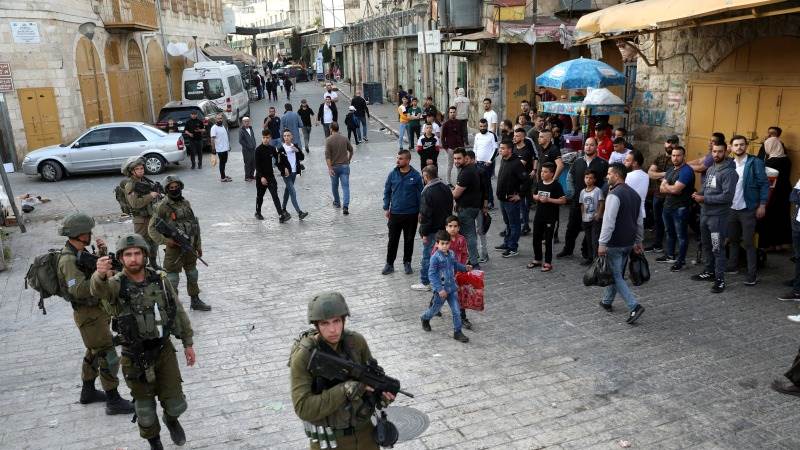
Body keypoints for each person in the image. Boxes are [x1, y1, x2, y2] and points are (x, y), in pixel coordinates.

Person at [91, 233, 195, 450]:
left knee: (176, 404)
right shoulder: (116, 285)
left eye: (137, 253)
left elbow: (178, 312)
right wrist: (99, 275)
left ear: (145, 255)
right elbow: (99, 291)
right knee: (145, 411)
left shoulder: (160, 279)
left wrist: (187, 342)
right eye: (128, 254)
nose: (133, 258)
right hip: (135, 357)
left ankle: (171, 420)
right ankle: (155, 443)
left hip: (163, 351)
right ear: (121, 258)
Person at [288, 292, 395, 449]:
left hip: (365, 435)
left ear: (344, 320)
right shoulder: (305, 356)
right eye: (325, 323)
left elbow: (369, 380)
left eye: (337, 321)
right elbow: (303, 408)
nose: (333, 330)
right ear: (316, 325)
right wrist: (344, 390)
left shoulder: (356, 342)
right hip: (330, 441)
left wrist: (381, 396)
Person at [56, 212, 134, 415]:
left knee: (93, 351)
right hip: (88, 315)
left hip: (96, 312)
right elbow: (78, 289)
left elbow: (92, 269)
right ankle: (113, 399)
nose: (90, 234)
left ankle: (88, 391)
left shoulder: (80, 252)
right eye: (87, 231)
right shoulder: (68, 259)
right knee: (107, 353)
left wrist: (102, 253)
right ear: (79, 233)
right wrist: (100, 275)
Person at [147, 175, 211, 311]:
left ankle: (195, 300)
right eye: (171, 188)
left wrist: (198, 245)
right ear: (167, 189)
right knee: (172, 278)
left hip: (190, 247)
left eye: (176, 187)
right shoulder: (162, 206)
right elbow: (151, 229)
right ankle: (172, 304)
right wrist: (166, 241)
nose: (174, 189)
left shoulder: (186, 203)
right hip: (174, 249)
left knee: (192, 274)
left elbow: (194, 225)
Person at [597, 164, 646, 324]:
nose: (607, 176)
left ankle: (634, 306)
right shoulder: (635, 195)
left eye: (609, 174)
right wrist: (638, 241)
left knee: (617, 275)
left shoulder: (614, 195)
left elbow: (608, 221)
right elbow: (639, 221)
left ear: (617, 176)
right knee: (615, 271)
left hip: (615, 242)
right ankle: (606, 301)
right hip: (628, 242)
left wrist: (602, 243)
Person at [690, 142, 737, 293]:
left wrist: (705, 199)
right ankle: (709, 272)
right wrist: (699, 194)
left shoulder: (729, 173)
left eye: (720, 152)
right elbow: (707, 188)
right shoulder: (711, 169)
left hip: (717, 218)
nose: (716, 154)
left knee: (717, 247)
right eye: (714, 151)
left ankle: (720, 280)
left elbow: (727, 197)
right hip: (705, 215)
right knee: (706, 244)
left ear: (726, 153)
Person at [726, 135, 769, 285]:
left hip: (748, 209)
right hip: (731, 208)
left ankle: (752, 274)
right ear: (730, 147)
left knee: (749, 242)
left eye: (742, 145)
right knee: (733, 240)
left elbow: (764, 184)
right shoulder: (729, 163)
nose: (739, 147)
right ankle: (732, 266)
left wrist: (762, 204)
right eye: (736, 145)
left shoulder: (754, 162)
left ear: (746, 146)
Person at [420, 230, 472, 343]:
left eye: (447, 243)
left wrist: (464, 268)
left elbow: (455, 264)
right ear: (437, 244)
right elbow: (432, 274)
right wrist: (439, 289)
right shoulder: (435, 258)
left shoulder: (451, 254)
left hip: (452, 288)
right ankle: (424, 318)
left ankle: (457, 332)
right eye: (442, 243)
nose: (444, 246)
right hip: (441, 291)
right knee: (434, 310)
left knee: (456, 311)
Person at [382, 150, 424, 275]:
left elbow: (421, 195)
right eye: (397, 158)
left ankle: (407, 263)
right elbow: (387, 191)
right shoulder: (392, 174)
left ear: (408, 160)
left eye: (400, 158)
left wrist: (420, 212)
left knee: (409, 239)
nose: (397, 160)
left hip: (411, 214)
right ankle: (389, 264)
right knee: (393, 240)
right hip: (395, 213)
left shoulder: (416, 176)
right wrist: (386, 207)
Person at [412, 165, 453, 292]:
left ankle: (425, 282)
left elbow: (425, 214)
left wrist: (424, 233)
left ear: (426, 176)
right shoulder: (445, 187)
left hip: (432, 230)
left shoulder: (427, 191)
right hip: (443, 228)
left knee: (427, 256)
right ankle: (442, 278)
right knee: (442, 254)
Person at [657, 146, 695, 272]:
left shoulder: (686, 171)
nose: (675, 158)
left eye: (678, 155)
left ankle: (681, 261)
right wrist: (670, 187)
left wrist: (668, 186)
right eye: (673, 155)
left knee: (681, 236)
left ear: (683, 156)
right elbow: (662, 189)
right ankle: (670, 255)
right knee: (669, 232)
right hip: (668, 206)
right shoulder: (670, 170)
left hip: (680, 208)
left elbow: (677, 190)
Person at [122, 156, 160, 267]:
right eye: (138, 169)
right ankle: (143, 266)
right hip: (141, 220)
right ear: (132, 171)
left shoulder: (145, 180)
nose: (141, 170)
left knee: (154, 242)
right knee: (142, 244)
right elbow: (135, 203)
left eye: (142, 168)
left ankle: (153, 264)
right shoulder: (130, 185)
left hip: (151, 217)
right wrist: (151, 196)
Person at [529, 162, 566, 272]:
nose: (542, 174)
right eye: (541, 171)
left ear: (552, 173)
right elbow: (534, 195)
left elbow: (563, 200)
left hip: (551, 217)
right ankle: (537, 259)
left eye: (545, 172)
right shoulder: (540, 183)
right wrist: (536, 197)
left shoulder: (556, 185)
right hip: (539, 215)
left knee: (548, 240)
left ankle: (548, 262)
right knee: (536, 238)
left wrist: (549, 200)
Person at [758, 136, 792, 251]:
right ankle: (782, 244)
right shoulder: (787, 160)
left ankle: (769, 245)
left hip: (773, 193)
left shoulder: (770, 162)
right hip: (785, 191)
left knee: (770, 218)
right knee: (782, 217)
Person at [646, 135, 679, 252]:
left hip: (670, 197)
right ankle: (657, 244)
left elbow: (674, 178)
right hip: (657, 195)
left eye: (673, 143)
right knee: (657, 221)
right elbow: (650, 173)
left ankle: (671, 251)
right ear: (665, 144)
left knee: (670, 223)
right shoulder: (659, 158)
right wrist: (666, 174)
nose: (670, 145)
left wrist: (660, 175)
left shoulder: (677, 159)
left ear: (677, 145)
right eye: (668, 142)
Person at [495, 140, 528, 258]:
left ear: (509, 150)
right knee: (507, 223)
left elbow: (526, 181)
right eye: (500, 148)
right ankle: (506, 243)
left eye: (503, 148)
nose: (500, 150)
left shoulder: (517, 163)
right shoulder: (504, 159)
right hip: (502, 199)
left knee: (514, 224)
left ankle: (513, 248)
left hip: (511, 201)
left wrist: (520, 195)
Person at [452, 148, 483, 268]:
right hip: (471, 206)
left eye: (459, 158)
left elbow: (456, 194)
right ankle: (472, 258)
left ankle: (474, 262)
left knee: (469, 235)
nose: (456, 161)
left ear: (466, 158)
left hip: (467, 209)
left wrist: (450, 192)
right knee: (470, 234)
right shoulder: (468, 169)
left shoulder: (466, 172)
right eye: (454, 158)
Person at [254, 129, 289, 223]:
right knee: (260, 196)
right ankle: (258, 212)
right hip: (261, 178)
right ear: (262, 138)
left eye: (267, 138)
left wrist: (284, 168)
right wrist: (261, 177)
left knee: (275, 196)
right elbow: (257, 166)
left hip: (270, 176)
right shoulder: (258, 150)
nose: (265, 139)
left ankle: (281, 215)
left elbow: (278, 161)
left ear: (270, 138)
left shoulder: (272, 149)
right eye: (264, 137)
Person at [277, 130, 309, 220]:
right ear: (283, 137)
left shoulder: (295, 146)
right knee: (292, 192)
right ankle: (299, 212)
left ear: (291, 137)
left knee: (288, 190)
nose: (286, 137)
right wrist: (284, 169)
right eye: (285, 136)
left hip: (294, 172)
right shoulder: (281, 149)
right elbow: (278, 163)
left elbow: (302, 157)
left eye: (288, 135)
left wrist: (297, 150)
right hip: (286, 174)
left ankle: (283, 208)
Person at [512, 128, 537, 236]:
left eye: (517, 136)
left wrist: (534, 170)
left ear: (522, 137)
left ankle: (525, 225)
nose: (514, 137)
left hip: (525, 180)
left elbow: (518, 165)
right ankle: (523, 224)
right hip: (516, 180)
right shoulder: (514, 148)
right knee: (521, 203)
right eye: (514, 135)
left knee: (523, 203)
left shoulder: (526, 151)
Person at [778, 180, 800, 302]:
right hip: (798, 222)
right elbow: (793, 196)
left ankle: (797, 291)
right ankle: (797, 283)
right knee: (798, 257)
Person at [325, 122, 353, 215]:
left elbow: (327, 157)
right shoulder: (344, 138)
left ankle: (337, 202)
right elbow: (351, 150)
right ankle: (345, 206)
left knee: (334, 186)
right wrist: (349, 160)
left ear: (331, 129)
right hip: (345, 166)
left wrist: (329, 168)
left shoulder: (328, 140)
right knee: (345, 187)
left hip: (334, 167)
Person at [578, 170, 604, 265]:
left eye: (591, 178)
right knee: (588, 240)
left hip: (595, 220)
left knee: (595, 240)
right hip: (586, 219)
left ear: (594, 179)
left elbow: (601, 203)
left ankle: (597, 260)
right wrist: (583, 216)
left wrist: (599, 214)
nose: (588, 180)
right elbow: (582, 205)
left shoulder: (597, 190)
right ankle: (590, 258)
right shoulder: (582, 192)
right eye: (586, 178)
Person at [473, 119, 498, 209]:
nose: (483, 128)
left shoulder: (492, 135)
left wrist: (490, 161)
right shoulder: (477, 135)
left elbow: (496, 149)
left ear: (487, 126)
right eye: (481, 126)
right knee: (478, 183)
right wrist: (474, 159)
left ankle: (490, 202)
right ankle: (481, 201)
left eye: (484, 126)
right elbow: (475, 148)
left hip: (487, 164)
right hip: (477, 163)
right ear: (479, 126)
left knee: (487, 183)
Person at [441, 106, 464, 185]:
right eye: (451, 112)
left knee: (459, 165)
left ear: (456, 113)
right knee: (450, 165)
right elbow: (442, 137)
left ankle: (459, 181)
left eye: (454, 112)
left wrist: (462, 146)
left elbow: (462, 135)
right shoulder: (446, 124)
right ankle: (448, 182)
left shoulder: (459, 123)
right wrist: (446, 148)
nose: (452, 114)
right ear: (449, 113)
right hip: (450, 148)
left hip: (459, 148)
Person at [624, 150, 649, 219]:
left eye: (627, 161)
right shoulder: (646, 176)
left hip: (629, 214)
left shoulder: (627, 176)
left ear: (635, 163)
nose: (624, 162)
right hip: (641, 213)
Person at [209, 113, 231, 182]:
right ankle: (223, 178)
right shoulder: (214, 128)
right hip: (220, 149)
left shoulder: (223, 126)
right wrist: (213, 149)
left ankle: (223, 174)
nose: (219, 120)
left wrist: (228, 146)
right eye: (218, 119)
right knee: (222, 163)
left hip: (225, 148)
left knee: (224, 162)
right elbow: (212, 139)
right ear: (215, 119)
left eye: (221, 118)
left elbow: (225, 137)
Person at [238, 116, 257, 182]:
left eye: (248, 121)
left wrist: (254, 145)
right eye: (245, 121)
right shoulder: (241, 130)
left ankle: (251, 175)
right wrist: (247, 146)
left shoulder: (251, 129)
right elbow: (240, 141)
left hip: (253, 149)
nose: (247, 123)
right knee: (247, 163)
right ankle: (247, 177)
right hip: (246, 150)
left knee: (253, 162)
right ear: (243, 122)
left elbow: (253, 137)